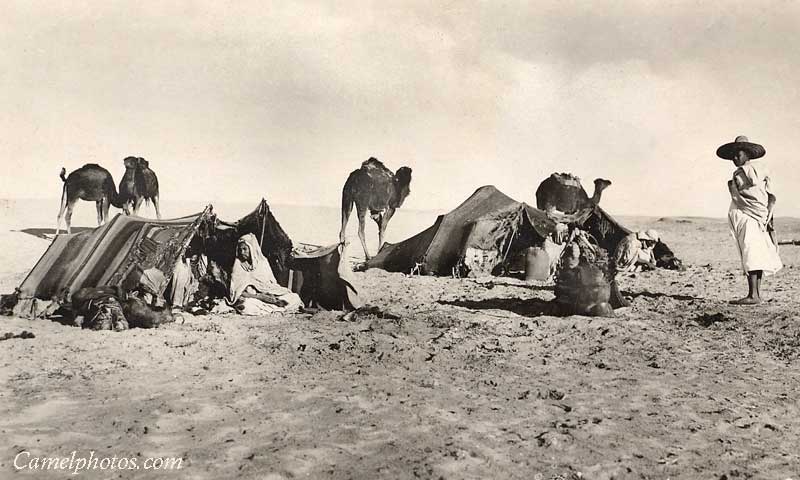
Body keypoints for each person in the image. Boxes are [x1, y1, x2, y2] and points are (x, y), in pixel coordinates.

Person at [717, 135, 782, 304]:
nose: (734, 158)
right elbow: (765, 196)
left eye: (737, 154)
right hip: (756, 217)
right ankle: (756, 294)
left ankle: (753, 295)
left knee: (751, 252)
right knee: (756, 253)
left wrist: (732, 185)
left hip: (749, 217)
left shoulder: (746, 172)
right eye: (732, 156)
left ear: (747, 154)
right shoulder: (759, 171)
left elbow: (750, 192)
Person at [229, 233, 302, 315]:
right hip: (253, 297)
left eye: (245, 249)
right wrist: (260, 297)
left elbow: (271, 284)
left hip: (269, 294)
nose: (242, 252)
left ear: (252, 248)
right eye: (240, 250)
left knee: (294, 297)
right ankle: (277, 309)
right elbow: (237, 292)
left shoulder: (263, 262)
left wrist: (270, 296)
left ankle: (273, 308)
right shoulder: (238, 264)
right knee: (246, 305)